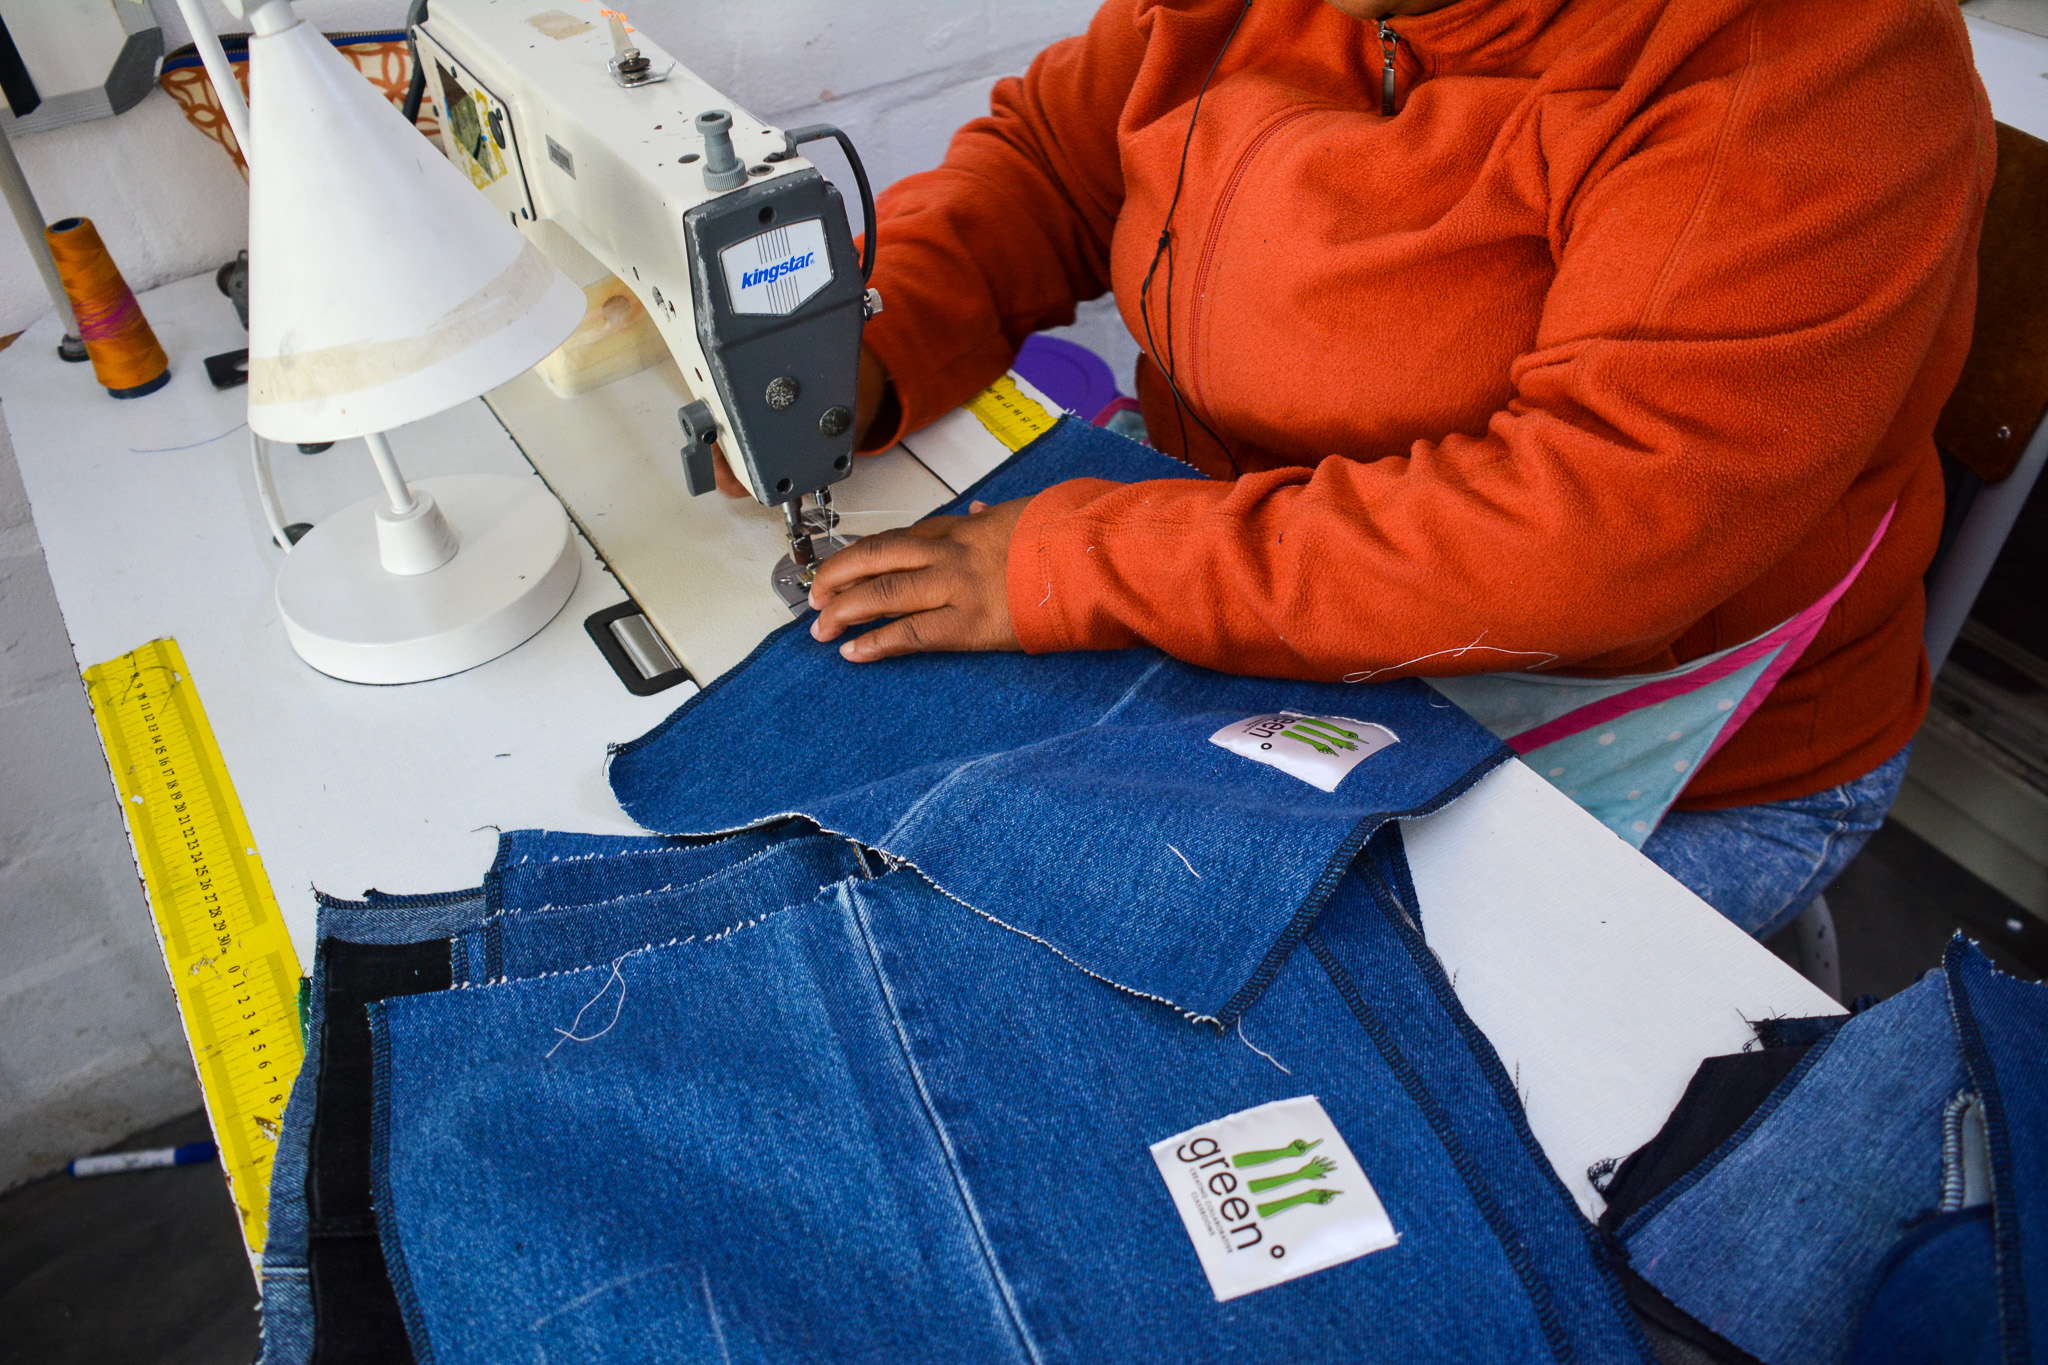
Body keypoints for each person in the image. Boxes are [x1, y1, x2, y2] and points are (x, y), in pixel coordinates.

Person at [774, 0, 1995, 938]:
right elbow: (1056, 163)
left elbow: (1582, 536)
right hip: (1256, 597)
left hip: (1648, 749)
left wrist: (1081, 560)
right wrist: (869, 338)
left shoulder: (1811, 71)